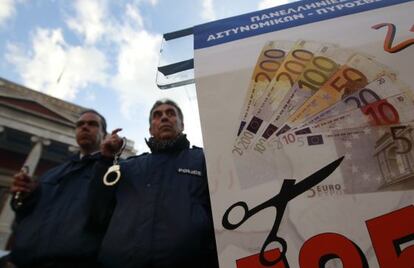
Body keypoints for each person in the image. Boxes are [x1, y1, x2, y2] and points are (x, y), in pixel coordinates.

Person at [89, 99, 219, 268]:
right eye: (157, 115)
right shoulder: (126, 168)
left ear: (182, 124)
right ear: (150, 129)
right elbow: (98, 211)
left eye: (171, 113)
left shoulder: (204, 160)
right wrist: (105, 159)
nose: (164, 117)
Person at [8, 110, 108, 268]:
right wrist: (22, 198)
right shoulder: (51, 174)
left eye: (92, 124)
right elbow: (25, 217)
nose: (85, 127)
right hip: (26, 261)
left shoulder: (111, 171)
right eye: (80, 124)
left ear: (104, 134)